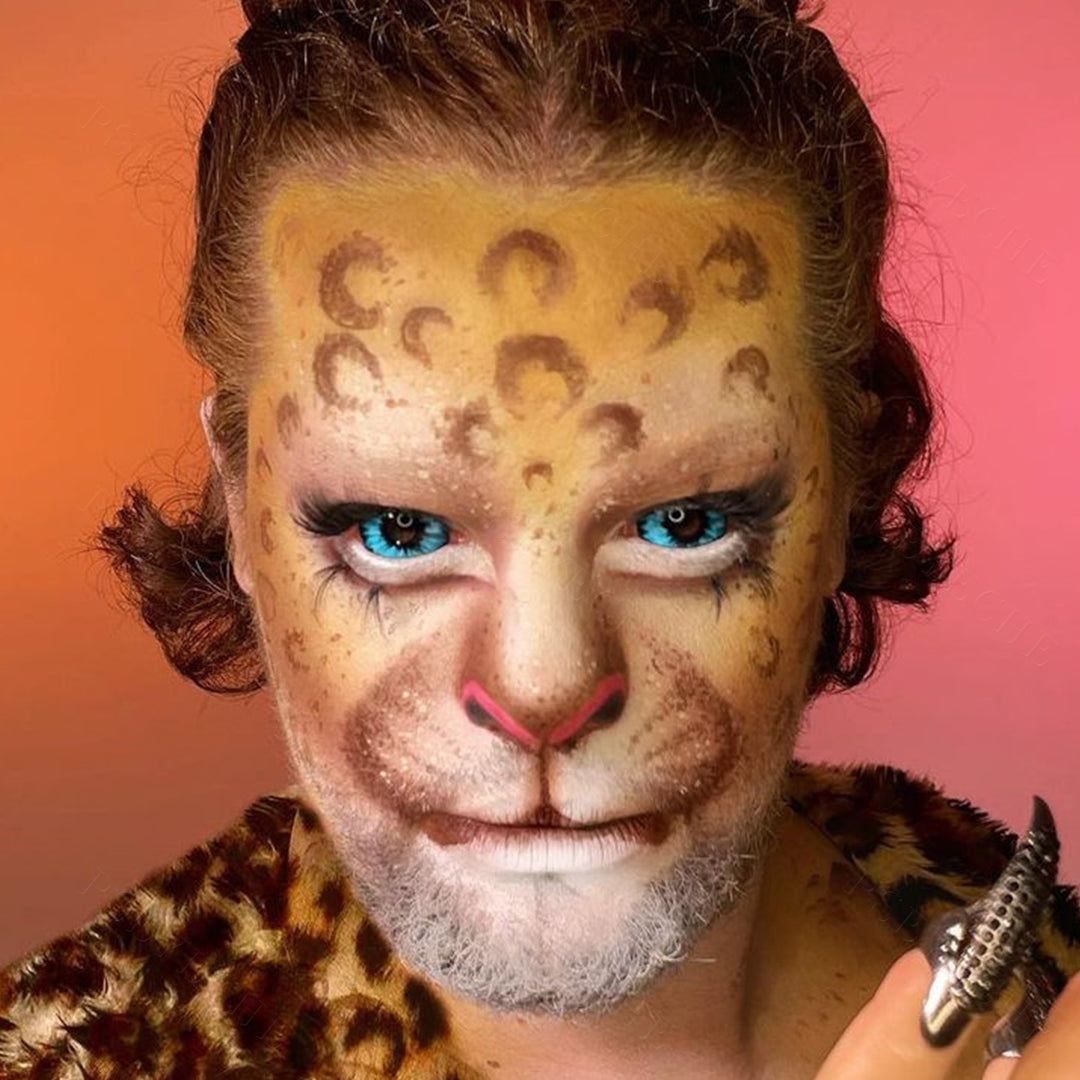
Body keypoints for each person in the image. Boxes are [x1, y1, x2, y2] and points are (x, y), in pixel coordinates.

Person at [1, 1, 1078, 1077]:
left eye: (684, 524)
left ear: (841, 489)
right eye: (399, 530)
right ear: (241, 504)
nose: (545, 686)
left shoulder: (1031, 961)